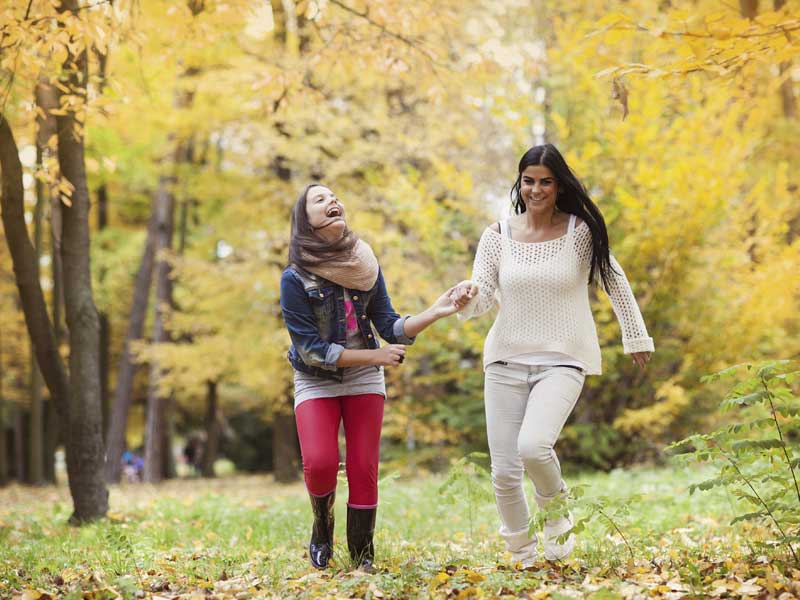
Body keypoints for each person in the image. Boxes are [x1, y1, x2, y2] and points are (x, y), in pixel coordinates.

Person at [451, 144, 654, 567]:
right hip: (505, 360)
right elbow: (483, 294)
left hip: (563, 359)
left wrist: (635, 336)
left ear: (558, 185)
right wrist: (465, 297)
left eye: (545, 181)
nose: (536, 189)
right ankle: (521, 552)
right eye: (529, 181)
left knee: (534, 446)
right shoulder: (497, 235)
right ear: (519, 183)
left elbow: (614, 281)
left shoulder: (580, 232)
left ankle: (555, 511)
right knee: (505, 471)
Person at [280, 183, 460, 572]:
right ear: (305, 220)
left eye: (335, 197)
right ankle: (321, 526)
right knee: (321, 462)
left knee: (363, 466)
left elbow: (391, 326)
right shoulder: (294, 279)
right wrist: (375, 355)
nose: (333, 201)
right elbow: (311, 348)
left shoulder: (364, 263)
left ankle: (362, 556)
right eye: (320, 199)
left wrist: (435, 311)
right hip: (315, 378)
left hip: (364, 379)